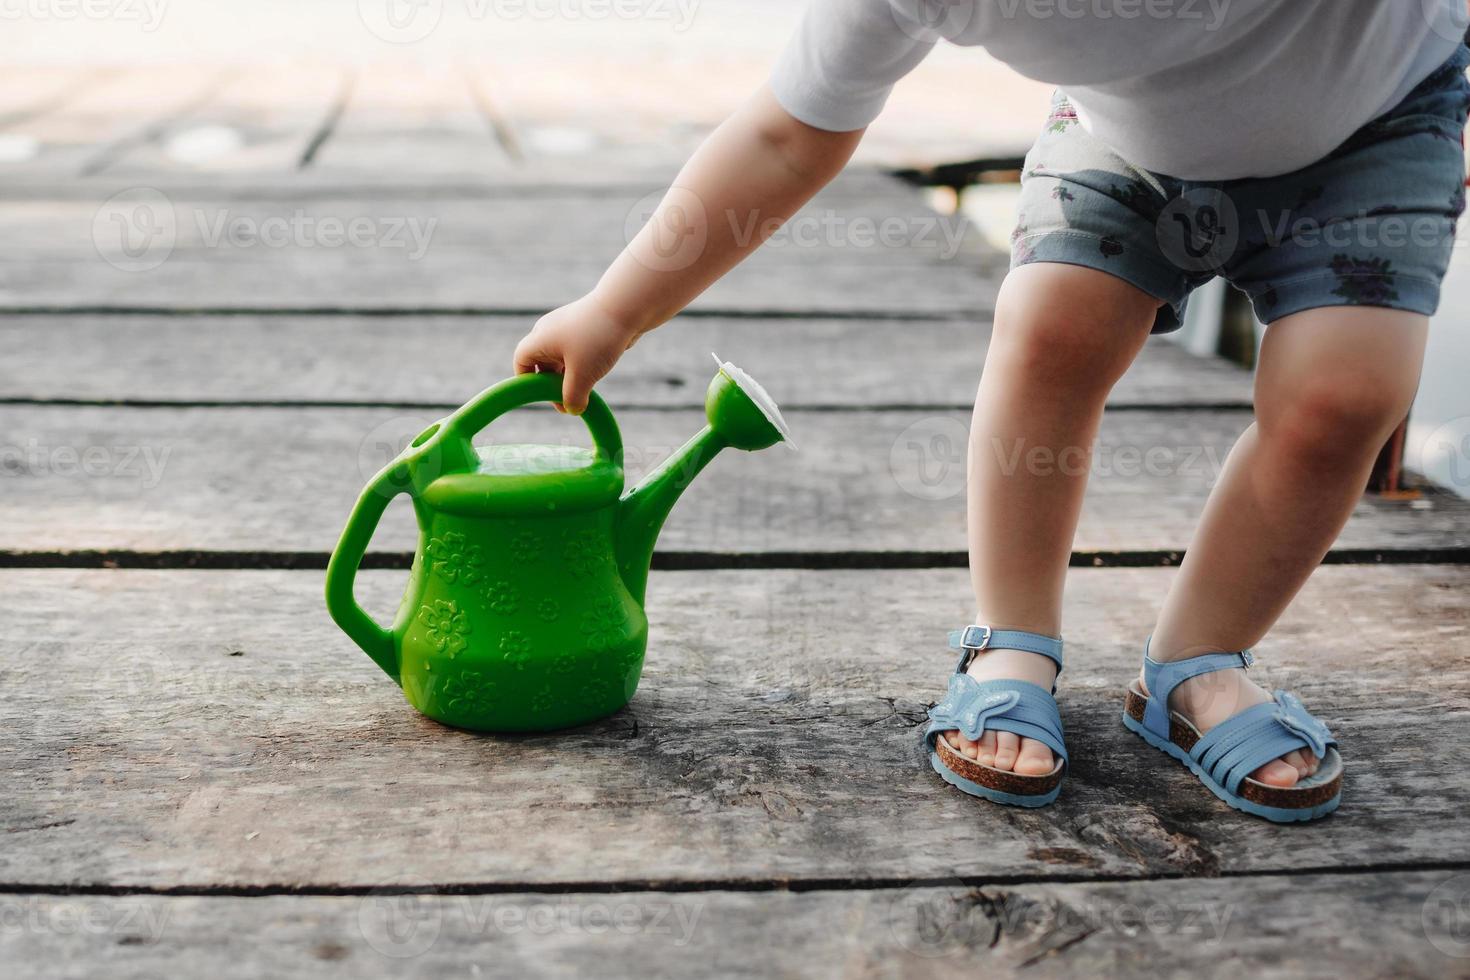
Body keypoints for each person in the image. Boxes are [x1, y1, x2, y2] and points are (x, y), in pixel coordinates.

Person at [512, 0, 1470, 821]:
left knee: (1342, 396)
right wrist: (616, 308)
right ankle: (1011, 642)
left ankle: (1198, 659)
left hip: (1372, 123)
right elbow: (783, 133)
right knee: (1053, 327)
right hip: (1125, 134)